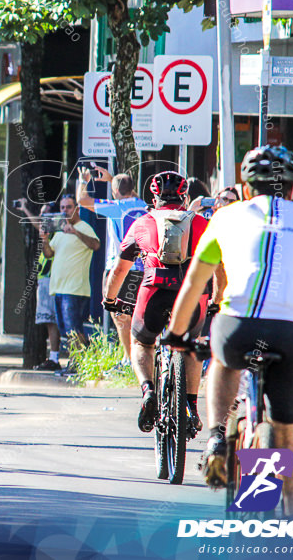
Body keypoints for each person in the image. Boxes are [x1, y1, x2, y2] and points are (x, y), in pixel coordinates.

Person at [167, 146, 293, 516]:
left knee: (221, 359)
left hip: (238, 326)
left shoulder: (225, 217)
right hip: (291, 332)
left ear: (247, 189)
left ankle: (216, 435)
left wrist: (177, 334)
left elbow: (192, 284)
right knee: (289, 439)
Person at [104, 171, 216, 433]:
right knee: (191, 345)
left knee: (142, 342)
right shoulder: (201, 223)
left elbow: (120, 271)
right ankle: (191, 406)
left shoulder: (141, 223)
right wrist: (216, 299)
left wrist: (110, 300)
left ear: (153, 198)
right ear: (185, 197)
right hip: (192, 294)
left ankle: (148, 391)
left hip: (153, 290)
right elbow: (218, 268)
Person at [76, 165, 147, 365]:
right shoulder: (143, 204)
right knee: (133, 313)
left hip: (119, 268)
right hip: (141, 267)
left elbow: (83, 201)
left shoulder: (115, 207)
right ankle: (136, 356)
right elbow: (126, 191)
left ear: (115, 192)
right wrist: (112, 180)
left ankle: (129, 359)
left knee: (118, 314)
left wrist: (83, 180)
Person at [39, 194, 100, 376]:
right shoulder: (60, 231)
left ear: (77, 209)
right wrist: (44, 239)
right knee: (67, 330)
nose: (65, 211)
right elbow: (49, 254)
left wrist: (75, 232)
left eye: (68, 207)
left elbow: (95, 245)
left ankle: (78, 364)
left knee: (74, 329)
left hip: (74, 289)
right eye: (62, 207)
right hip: (59, 288)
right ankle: (81, 361)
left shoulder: (84, 227)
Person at [13, 200, 62, 371]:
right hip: (46, 279)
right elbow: (37, 223)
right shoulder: (49, 231)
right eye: (41, 214)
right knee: (49, 321)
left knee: (52, 321)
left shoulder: (60, 231)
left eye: (46, 214)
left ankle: (55, 358)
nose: (42, 218)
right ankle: (53, 357)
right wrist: (25, 209)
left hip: (52, 279)